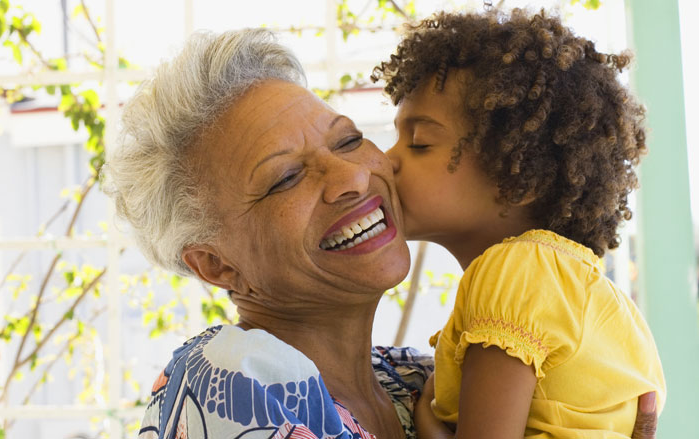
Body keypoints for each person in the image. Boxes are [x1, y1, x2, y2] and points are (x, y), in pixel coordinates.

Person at [103, 28, 659, 439]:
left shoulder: (418, 379)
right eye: (286, 177)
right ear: (214, 264)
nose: (356, 175)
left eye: (346, 141)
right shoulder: (230, 381)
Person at [374, 8, 666, 439]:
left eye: (420, 143)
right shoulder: (589, 294)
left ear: (518, 174)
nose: (386, 160)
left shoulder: (513, 272)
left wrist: (427, 424)